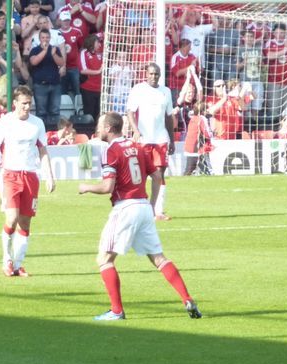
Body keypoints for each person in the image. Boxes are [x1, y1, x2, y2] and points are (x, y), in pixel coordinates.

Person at [78, 111, 202, 321]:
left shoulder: (111, 151)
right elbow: (156, 176)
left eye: (100, 125)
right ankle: (187, 298)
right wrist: (152, 206)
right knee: (158, 258)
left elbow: (108, 187)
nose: (97, 129)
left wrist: (86, 187)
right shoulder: (138, 147)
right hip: (143, 207)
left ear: (108, 128)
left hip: (125, 207)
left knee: (104, 258)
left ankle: (116, 311)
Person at [0, 85, 55, 277]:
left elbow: (42, 150)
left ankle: (17, 264)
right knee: (12, 218)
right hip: (9, 175)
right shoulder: (4, 123)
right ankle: (6, 260)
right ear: (14, 103)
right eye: (24, 104)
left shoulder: (37, 123)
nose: (27, 107)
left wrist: (49, 175)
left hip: (31, 176)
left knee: (25, 223)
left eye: (29, 104)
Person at [126, 63, 174, 221]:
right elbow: (130, 112)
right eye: (151, 74)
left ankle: (156, 210)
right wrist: (135, 130)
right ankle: (139, 208)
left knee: (159, 174)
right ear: (146, 74)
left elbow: (168, 117)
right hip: (143, 139)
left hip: (161, 138)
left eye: (157, 74)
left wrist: (172, 140)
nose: (154, 77)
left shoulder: (165, 92)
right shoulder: (138, 89)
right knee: (141, 175)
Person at [28, 28, 64, 132]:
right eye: (43, 37)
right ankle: (41, 133)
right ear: (39, 39)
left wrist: (53, 54)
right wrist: (44, 51)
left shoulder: (55, 49)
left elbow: (61, 63)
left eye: (47, 37)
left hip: (55, 84)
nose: (45, 39)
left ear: (50, 38)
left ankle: (55, 133)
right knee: (41, 112)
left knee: (55, 111)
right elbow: (34, 62)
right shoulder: (35, 50)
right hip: (40, 85)